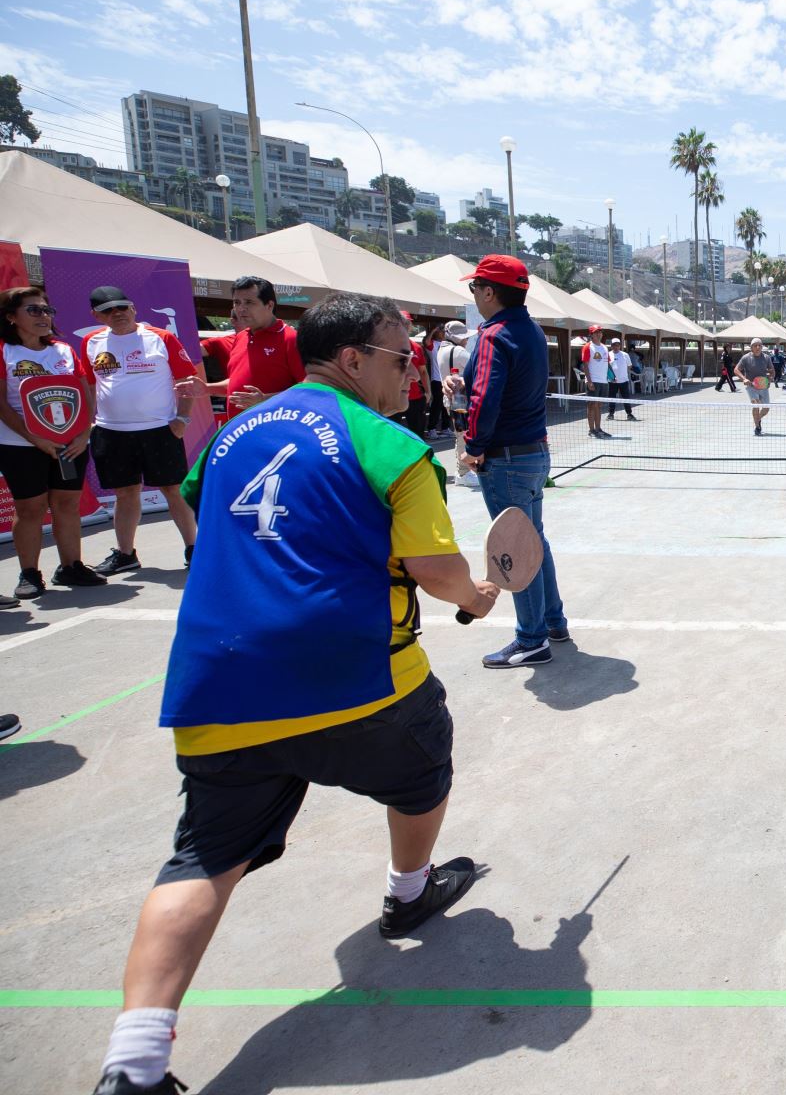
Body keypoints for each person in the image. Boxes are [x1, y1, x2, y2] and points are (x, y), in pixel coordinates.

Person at [89, 293, 500, 1095]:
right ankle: (407, 894)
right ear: (350, 360)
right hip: (355, 677)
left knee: (203, 858)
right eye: (396, 355)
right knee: (425, 766)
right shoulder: (392, 446)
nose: (409, 365)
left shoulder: (230, 434)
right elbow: (439, 574)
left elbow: (222, 523)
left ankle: (133, 1066)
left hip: (220, 681)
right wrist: (478, 598)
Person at [450, 256, 570, 668]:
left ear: (488, 292)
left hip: (504, 457)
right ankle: (552, 621)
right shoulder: (531, 330)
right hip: (534, 452)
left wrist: (474, 445)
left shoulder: (493, 334)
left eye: (475, 288)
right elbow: (497, 386)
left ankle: (532, 638)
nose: (474, 295)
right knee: (533, 540)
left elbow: (487, 397)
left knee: (515, 549)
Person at [83, 285, 202, 575]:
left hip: (160, 429)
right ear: (96, 316)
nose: (117, 314)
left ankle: (194, 549)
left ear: (133, 308)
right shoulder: (90, 341)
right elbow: (89, 385)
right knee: (125, 493)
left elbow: (187, 380)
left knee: (173, 490)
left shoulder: (161, 338)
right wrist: (88, 421)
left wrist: (182, 420)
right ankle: (126, 554)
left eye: (122, 307)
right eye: (108, 310)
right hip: (111, 431)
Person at [0, 285, 105, 597]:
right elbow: (2, 404)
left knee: (67, 504)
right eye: (33, 310)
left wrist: (85, 431)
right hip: (20, 444)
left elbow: (86, 391)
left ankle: (71, 566)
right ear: (11, 317)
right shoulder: (4, 350)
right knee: (30, 508)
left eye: (46, 310)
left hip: (69, 443)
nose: (43, 316)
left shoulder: (62, 349)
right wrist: (34, 438)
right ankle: (30, 574)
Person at [200, 276, 306, 419]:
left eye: (249, 302)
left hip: (274, 432)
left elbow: (308, 389)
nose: (241, 308)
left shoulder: (290, 338)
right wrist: (207, 389)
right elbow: (237, 385)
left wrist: (265, 400)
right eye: (237, 302)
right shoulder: (241, 337)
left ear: (269, 305)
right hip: (238, 430)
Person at [435, 321, 479, 489]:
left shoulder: (441, 350)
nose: (467, 340)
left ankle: (462, 471)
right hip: (461, 400)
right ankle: (463, 473)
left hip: (450, 399)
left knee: (459, 434)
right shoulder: (458, 351)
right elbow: (477, 370)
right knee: (464, 435)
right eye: (465, 337)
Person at [736, 337, 774, 436]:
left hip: (763, 385)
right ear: (751, 347)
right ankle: (757, 427)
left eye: (759, 345)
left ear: (762, 347)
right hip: (751, 386)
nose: (758, 347)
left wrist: (770, 378)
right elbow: (736, 370)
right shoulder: (746, 358)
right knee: (755, 404)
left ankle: (758, 419)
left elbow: (772, 371)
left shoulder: (766, 358)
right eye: (755, 346)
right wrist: (744, 378)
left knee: (766, 408)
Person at [579, 330, 611, 438]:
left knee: (599, 405)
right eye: (596, 332)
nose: (599, 334)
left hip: (604, 381)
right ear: (591, 335)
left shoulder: (605, 347)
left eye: (600, 332)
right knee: (591, 405)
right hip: (593, 381)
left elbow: (607, 364)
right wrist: (589, 381)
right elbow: (585, 365)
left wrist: (611, 376)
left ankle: (598, 429)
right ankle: (591, 430)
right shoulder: (588, 347)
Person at [423, 325, 450, 439]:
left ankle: (445, 428)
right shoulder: (432, 344)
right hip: (436, 379)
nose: (443, 333)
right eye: (441, 330)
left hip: (446, 378)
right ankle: (431, 429)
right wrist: (434, 329)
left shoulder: (447, 344)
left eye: (444, 331)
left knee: (447, 404)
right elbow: (426, 341)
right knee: (437, 404)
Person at [608, 337, 636, 421]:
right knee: (611, 398)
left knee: (626, 398)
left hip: (624, 381)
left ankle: (629, 414)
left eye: (617, 345)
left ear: (620, 345)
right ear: (611, 346)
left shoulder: (625, 355)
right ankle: (610, 414)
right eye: (614, 345)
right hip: (612, 381)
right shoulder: (608, 355)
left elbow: (630, 366)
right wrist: (611, 376)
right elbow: (606, 367)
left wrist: (622, 371)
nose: (616, 346)